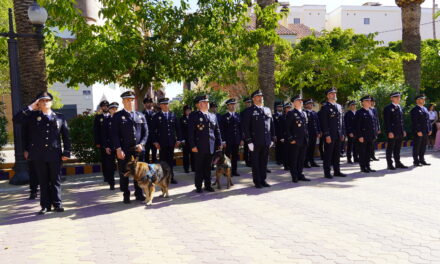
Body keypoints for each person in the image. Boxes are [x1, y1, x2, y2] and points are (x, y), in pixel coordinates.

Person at [13, 92, 71, 215]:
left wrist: (66, 152)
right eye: (42, 100)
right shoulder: (33, 116)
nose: (45, 102)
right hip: (38, 155)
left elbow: (66, 136)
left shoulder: (60, 117)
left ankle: (57, 204)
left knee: (55, 180)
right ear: (38, 103)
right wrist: (30, 107)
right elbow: (16, 119)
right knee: (43, 181)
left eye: (47, 100)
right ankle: (45, 206)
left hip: (55, 154)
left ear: (51, 102)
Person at [112, 91, 148, 203]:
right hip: (124, 151)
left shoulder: (140, 115)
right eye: (128, 99)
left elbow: (146, 132)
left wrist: (142, 144)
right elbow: (114, 134)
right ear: (123, 101)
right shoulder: (117, 116)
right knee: (124, 173)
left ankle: (139, 193)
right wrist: (118, 149)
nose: (130, 102)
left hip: (138, 150)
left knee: (139, 173)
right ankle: (126, 194)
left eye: (132, 99)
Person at [188, 95, 222, 193]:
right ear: (199, 104)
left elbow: (217, 130)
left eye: (207, 102)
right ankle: (198, 186)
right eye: (204, 102)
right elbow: (190, 133)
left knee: (208, 167)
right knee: (199, 167)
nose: (206, 104)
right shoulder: (194, 115)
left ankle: (208, 185)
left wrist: (219, 142)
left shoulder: (213, 116)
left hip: (211, 145)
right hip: (199, 146)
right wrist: (193, 145)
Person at [242, 90, 276, 188]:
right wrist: (249, 141)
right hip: (255, 142)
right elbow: (246, 128)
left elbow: (272, 125)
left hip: (266, 141)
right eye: (258, 96)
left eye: (261, 96)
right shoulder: (249, 111)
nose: (260, 98)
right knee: (255, 163)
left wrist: (272, 139)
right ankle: (257, 181)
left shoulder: (267, 110)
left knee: (264, 162)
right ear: (253, 99)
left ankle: (263, 180)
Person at [152, 97, 181, 184]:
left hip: (171, 142)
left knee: (170, 160)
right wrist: (155, 141)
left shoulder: (173, 115)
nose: (166, 106)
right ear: (160, 105)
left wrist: (179, 139)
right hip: (161, 143)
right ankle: (162, 178)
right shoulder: (156, 116)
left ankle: (171, 177)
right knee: (162, 161)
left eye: (167, 104)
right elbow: (152, 130)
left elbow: (178, 128)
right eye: (164, 104)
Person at [318, 88, 346, 179]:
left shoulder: (339, 106)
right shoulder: (325, 107)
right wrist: (327, 134)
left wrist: (342, 133)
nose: (334, 95)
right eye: (331, 94)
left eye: (334, 93)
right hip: (330, 135)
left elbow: (341, 121)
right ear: (327, 96)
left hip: (338, 134)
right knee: (328, 154)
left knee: (337, 154)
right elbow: (324, 122)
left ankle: (337, 171)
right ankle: (327, 172)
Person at [285, 95, 310, 182]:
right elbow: (287, 128)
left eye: (301, 100)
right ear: (294, 103)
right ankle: (294, 176)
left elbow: (305, 127)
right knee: (294, 159)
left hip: (303, 140)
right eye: (298, 100)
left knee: (301, 159)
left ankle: (300, 174)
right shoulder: (291, 113)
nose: (301, 102)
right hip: (295, 140)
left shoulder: (304, 113)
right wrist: (291, 139)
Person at [383, 92, 408, 170]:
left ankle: (398, 162)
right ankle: (389, 164)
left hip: (399, 131)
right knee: (390, 148)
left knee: (397, 148)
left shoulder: (399, 107)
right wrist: (389, 132)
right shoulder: (388, 108)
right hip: (392, 132)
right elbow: (387, 121)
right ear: (391, 98)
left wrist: (403, 130)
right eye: (396, 97)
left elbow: (401, 121)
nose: (398, 98)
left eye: (399, 97)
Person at [220, 98, 243, 176]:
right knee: (227, 157)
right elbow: (222, 130)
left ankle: (234, 171)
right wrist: (223, 141)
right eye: (231, 105)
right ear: (228, 106)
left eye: (234, 104)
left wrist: (241, 139)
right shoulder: (224, 117)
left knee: (235, 156)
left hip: (236, 139)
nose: (233, 106)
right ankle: (226, 171)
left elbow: (241, 128)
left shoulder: (238, 116)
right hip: (228, 140)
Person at [354, 96, 376, 173]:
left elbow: (373, 124)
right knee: (362, 152)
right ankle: (363, 167)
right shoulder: (359, 112)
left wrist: (374, 134)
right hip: (363, 136)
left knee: (368, 152)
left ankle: (368, 166)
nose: (369, 102)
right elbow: (357, 126)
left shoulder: (371, 111)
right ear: (362, 102)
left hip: (370, 135)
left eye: (370, 101)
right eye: (367, 101)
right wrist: (359, 136)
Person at [410, 94, 432, 166]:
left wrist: (430, 129)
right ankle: (416, 161)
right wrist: (418, 131)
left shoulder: (425, 109)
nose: (424, 100)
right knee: (417, 146)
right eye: (422, 99)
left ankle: (422, 160)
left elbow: (428, 120)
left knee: (423, 146)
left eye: (424, 99)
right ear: (418, 100)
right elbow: (415, 122)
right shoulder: (414, 110)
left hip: (425, 131)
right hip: (418, 131)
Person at [101, 102, 119, 190]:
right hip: (110, 146)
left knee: (122, 166)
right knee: (110, 166)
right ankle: (111, 183)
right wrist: (106, 146)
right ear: (109, 110)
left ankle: (123, 184)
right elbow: (103, 135)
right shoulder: (106, 120)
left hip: (120, 147)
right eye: (112, 109)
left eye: (116, 109)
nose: (114, 111)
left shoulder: (121, 119)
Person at [93, 100, 112, 183]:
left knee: (111, 160)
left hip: (112, 142)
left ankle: (111, 175)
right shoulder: (98, 117)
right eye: (103, 106)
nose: (105, 107)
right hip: (102, 143)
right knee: (104, 160)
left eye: (107, 106)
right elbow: (95, 130)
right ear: (101, 107)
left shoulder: (112, 116)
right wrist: (97, 142)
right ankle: (106, 176)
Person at [304, 99, 321, 168]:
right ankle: (305, 162)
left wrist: (319, 131)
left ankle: (312, 161)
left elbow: (317, 123)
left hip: (314, 133)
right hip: (308, 133)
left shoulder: (314, 113)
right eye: (309, 104)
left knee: (312, 148)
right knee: (307, 149)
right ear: (306, 105)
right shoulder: (304, 112)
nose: (310, 105)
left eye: (311, 104)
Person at [142, 98, 157, 163]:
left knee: (154, 156)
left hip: (154, 139)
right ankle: (147, 172)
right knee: (146, 156)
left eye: (150, 103)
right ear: (144, 104)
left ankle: (154, 172)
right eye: (147, 103)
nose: (149, 104)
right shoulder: (141, 114)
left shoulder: (155, 114)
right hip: (146, 139)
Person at [180, 105, 195, 173]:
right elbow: (180, 130)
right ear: (184, 111)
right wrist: (182, 139)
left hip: (192, 140)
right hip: (185, 140)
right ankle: (186, 169)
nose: (188, 111)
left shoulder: (193, 118)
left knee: (193, 154)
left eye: (189, 110)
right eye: (187, 110)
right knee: (185, 155)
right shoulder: (182, 119)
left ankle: (193, 168)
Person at [241, 97, 253, 167]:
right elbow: (242, 124)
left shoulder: (254, 111)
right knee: (246, 148)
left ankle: (252, 161)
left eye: (249, 102)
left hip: (253, 133)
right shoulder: (242, 113)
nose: (248, 104)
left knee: (253, 148)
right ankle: (247, 161)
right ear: (245, 104)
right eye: (247, 103)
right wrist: (243, 135)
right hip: (246, 133)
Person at [282, 102, 292, 170]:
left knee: (291, 151)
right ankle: (286, 165)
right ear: (285, 109)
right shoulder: (282, 117)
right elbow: (281, 128)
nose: (289, 109)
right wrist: (281, 137)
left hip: (292, 136)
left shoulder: (293, 115)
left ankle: (290, 164)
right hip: (285, 136)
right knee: (286, 151)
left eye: (290, 108)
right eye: (287, 108)